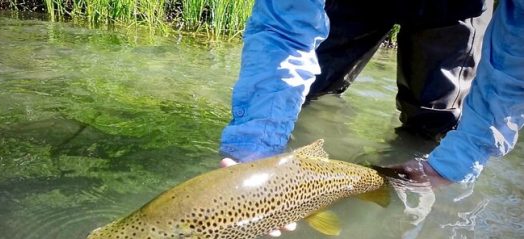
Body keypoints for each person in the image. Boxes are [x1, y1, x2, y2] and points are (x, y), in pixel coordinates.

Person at [219, 0, 524, 186]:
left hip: (453, 6)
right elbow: (283, 28)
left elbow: (516, 58)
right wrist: (257, 143)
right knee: (307, 96)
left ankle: (402, 198)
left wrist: (459, 159)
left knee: (432, 126)